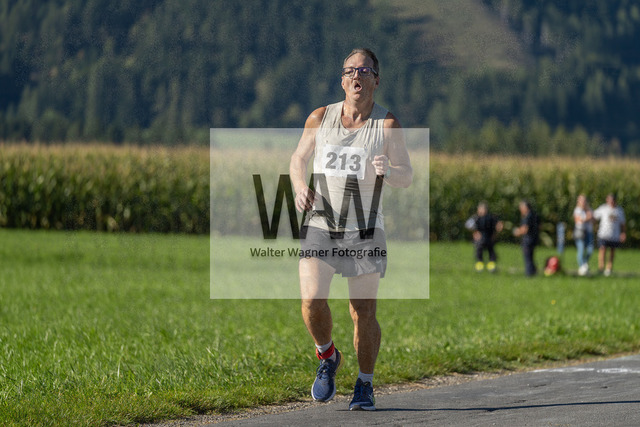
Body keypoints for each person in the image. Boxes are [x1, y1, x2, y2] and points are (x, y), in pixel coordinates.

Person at [289, 48, 412, 411]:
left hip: (365, 229)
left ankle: (365, 383)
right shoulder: (320, 117)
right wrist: (299, 185)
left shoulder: (386, 125)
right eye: (350, 70)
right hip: (320, 224)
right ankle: (328, 356)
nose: (357, 76)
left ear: (376, 80)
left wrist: (389, 171)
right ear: (342, 80)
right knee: (311, 300)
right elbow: (298, 158)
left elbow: (407, 174)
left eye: (364, 70)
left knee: (362, 312)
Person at [464, 201, 504, 272]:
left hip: (489, 238)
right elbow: (468, 225)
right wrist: (475, 232)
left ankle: (491, 266)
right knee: (479, 251)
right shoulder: (476, 218)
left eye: (482, 209)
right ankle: (480, 265)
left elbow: (499, 225)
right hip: (480, 238)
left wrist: (496, 232)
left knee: (491, 253)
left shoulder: (491, 217)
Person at [593, 193, 626, 276]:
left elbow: (623, 224)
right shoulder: (603, 208)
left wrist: (623, 233)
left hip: (614, 235)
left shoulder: (619, 210)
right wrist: (594, 226)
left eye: (612, 200)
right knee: (602, 250)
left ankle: (609, 268)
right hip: (603, 234)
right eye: (609, 200)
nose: (611, 202)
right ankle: (601, 268)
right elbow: (594, 216)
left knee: (612, 251)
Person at [513, 200, 539, 276]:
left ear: (525, 207)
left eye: (521, 207)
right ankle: (533, 272)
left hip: (528, 239)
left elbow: (525, 229)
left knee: (527, 257)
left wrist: (517, 231)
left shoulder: (527, 216)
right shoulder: (534, 215)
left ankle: (529, 273)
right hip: (534, 238)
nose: (520, 209)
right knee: (531, 256)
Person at [573, 194, 594, 276]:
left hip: (588, 232)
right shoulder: (577, 210)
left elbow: (593, 220)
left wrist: (588, 217)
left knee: (590, 249)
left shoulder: (589, 210)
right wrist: (587, 217)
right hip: (580, 232)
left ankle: (584, 263)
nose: (583, 202)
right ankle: (582, 266)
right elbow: (578, 220)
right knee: (581, 249)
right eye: (581, 201)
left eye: (584, 201)